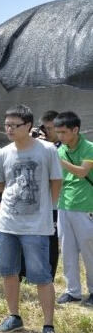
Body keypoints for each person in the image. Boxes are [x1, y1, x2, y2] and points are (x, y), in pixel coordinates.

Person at [0, 105, 62, 333]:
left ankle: (48, 326)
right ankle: (14, 316)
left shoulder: (47, 150)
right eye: (7, 125)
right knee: (9, 272)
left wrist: (48, 210)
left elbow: (56, 181)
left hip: (36, 225)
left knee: (42, 276)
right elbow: (1, 185)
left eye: (15, 125)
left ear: (28, 127)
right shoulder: (3, 153)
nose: (10, 129)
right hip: (6, 224)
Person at [53, 111, 93, 306]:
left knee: (89, 249)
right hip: (64, 205)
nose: (59, 136)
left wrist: (58, 160)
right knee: (67, 249)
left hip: (86, 205)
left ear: (75, 130)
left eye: (63, 132)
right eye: (57, 132)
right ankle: (73, 291)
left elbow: (82, 172)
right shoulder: (60, 149)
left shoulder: (89, 148)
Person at [19, 110, 62, 282]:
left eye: (51, 128)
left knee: (50, 240)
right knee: (24, 236)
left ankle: (48, 276)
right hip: (32, 199)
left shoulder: (61, 147)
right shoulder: (33, 145)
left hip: (52, 202)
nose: (48, 132)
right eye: (45, 128)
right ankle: (23, 272)